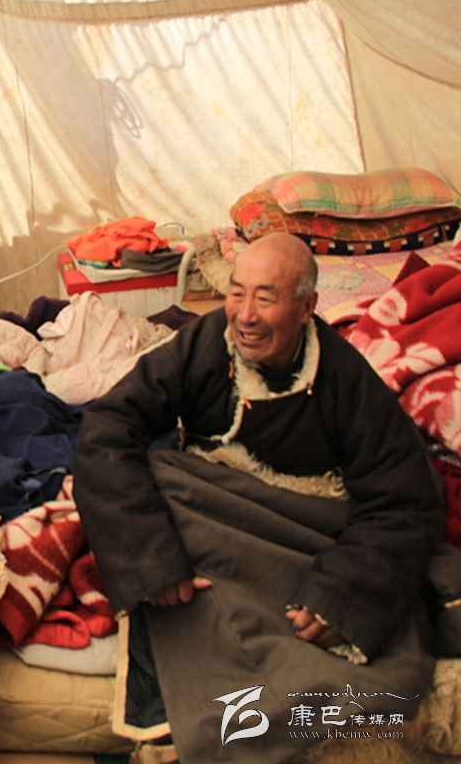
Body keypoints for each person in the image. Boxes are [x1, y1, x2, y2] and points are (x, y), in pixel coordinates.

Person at [73, 231, 445, 760]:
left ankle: (276, 716)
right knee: (164, 479)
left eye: (265, 298)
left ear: (307, 308)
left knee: (392, 671)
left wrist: (342, 594)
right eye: (237, 293)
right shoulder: (206, 343)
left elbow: (405, 496)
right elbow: (110, 425)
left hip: (300, 536)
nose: (245, 315)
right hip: (214, 515)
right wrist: (151, 562)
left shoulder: (343, 377)